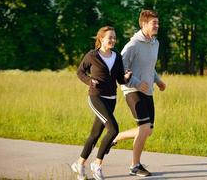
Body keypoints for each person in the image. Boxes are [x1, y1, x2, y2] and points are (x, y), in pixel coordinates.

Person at [71, 26, 132, 180]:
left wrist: (126, 77)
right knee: (113, 129)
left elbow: (119, 79)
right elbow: (80, 72)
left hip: (111, 98)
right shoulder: (92, 56)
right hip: (96, 97)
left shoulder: (117, 56)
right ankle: (97, 164)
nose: (112, 40)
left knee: (95, 134)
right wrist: (89, 81)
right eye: (109, 37)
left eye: (114, 37)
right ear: (101, 39)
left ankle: (79, 163)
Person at [110, 10, 166, 177]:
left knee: (148, 130)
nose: (157, 25)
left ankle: (116, 137)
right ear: (144, 24)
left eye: (157, 22)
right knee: (144, 128)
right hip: (132, 89)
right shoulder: (133, 45)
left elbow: (149, 67)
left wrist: (158, 80)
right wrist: (134, 83)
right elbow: (118, 68)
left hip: (147, 90)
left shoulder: (155, 43)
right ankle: (135, 166)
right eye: (153, 23)